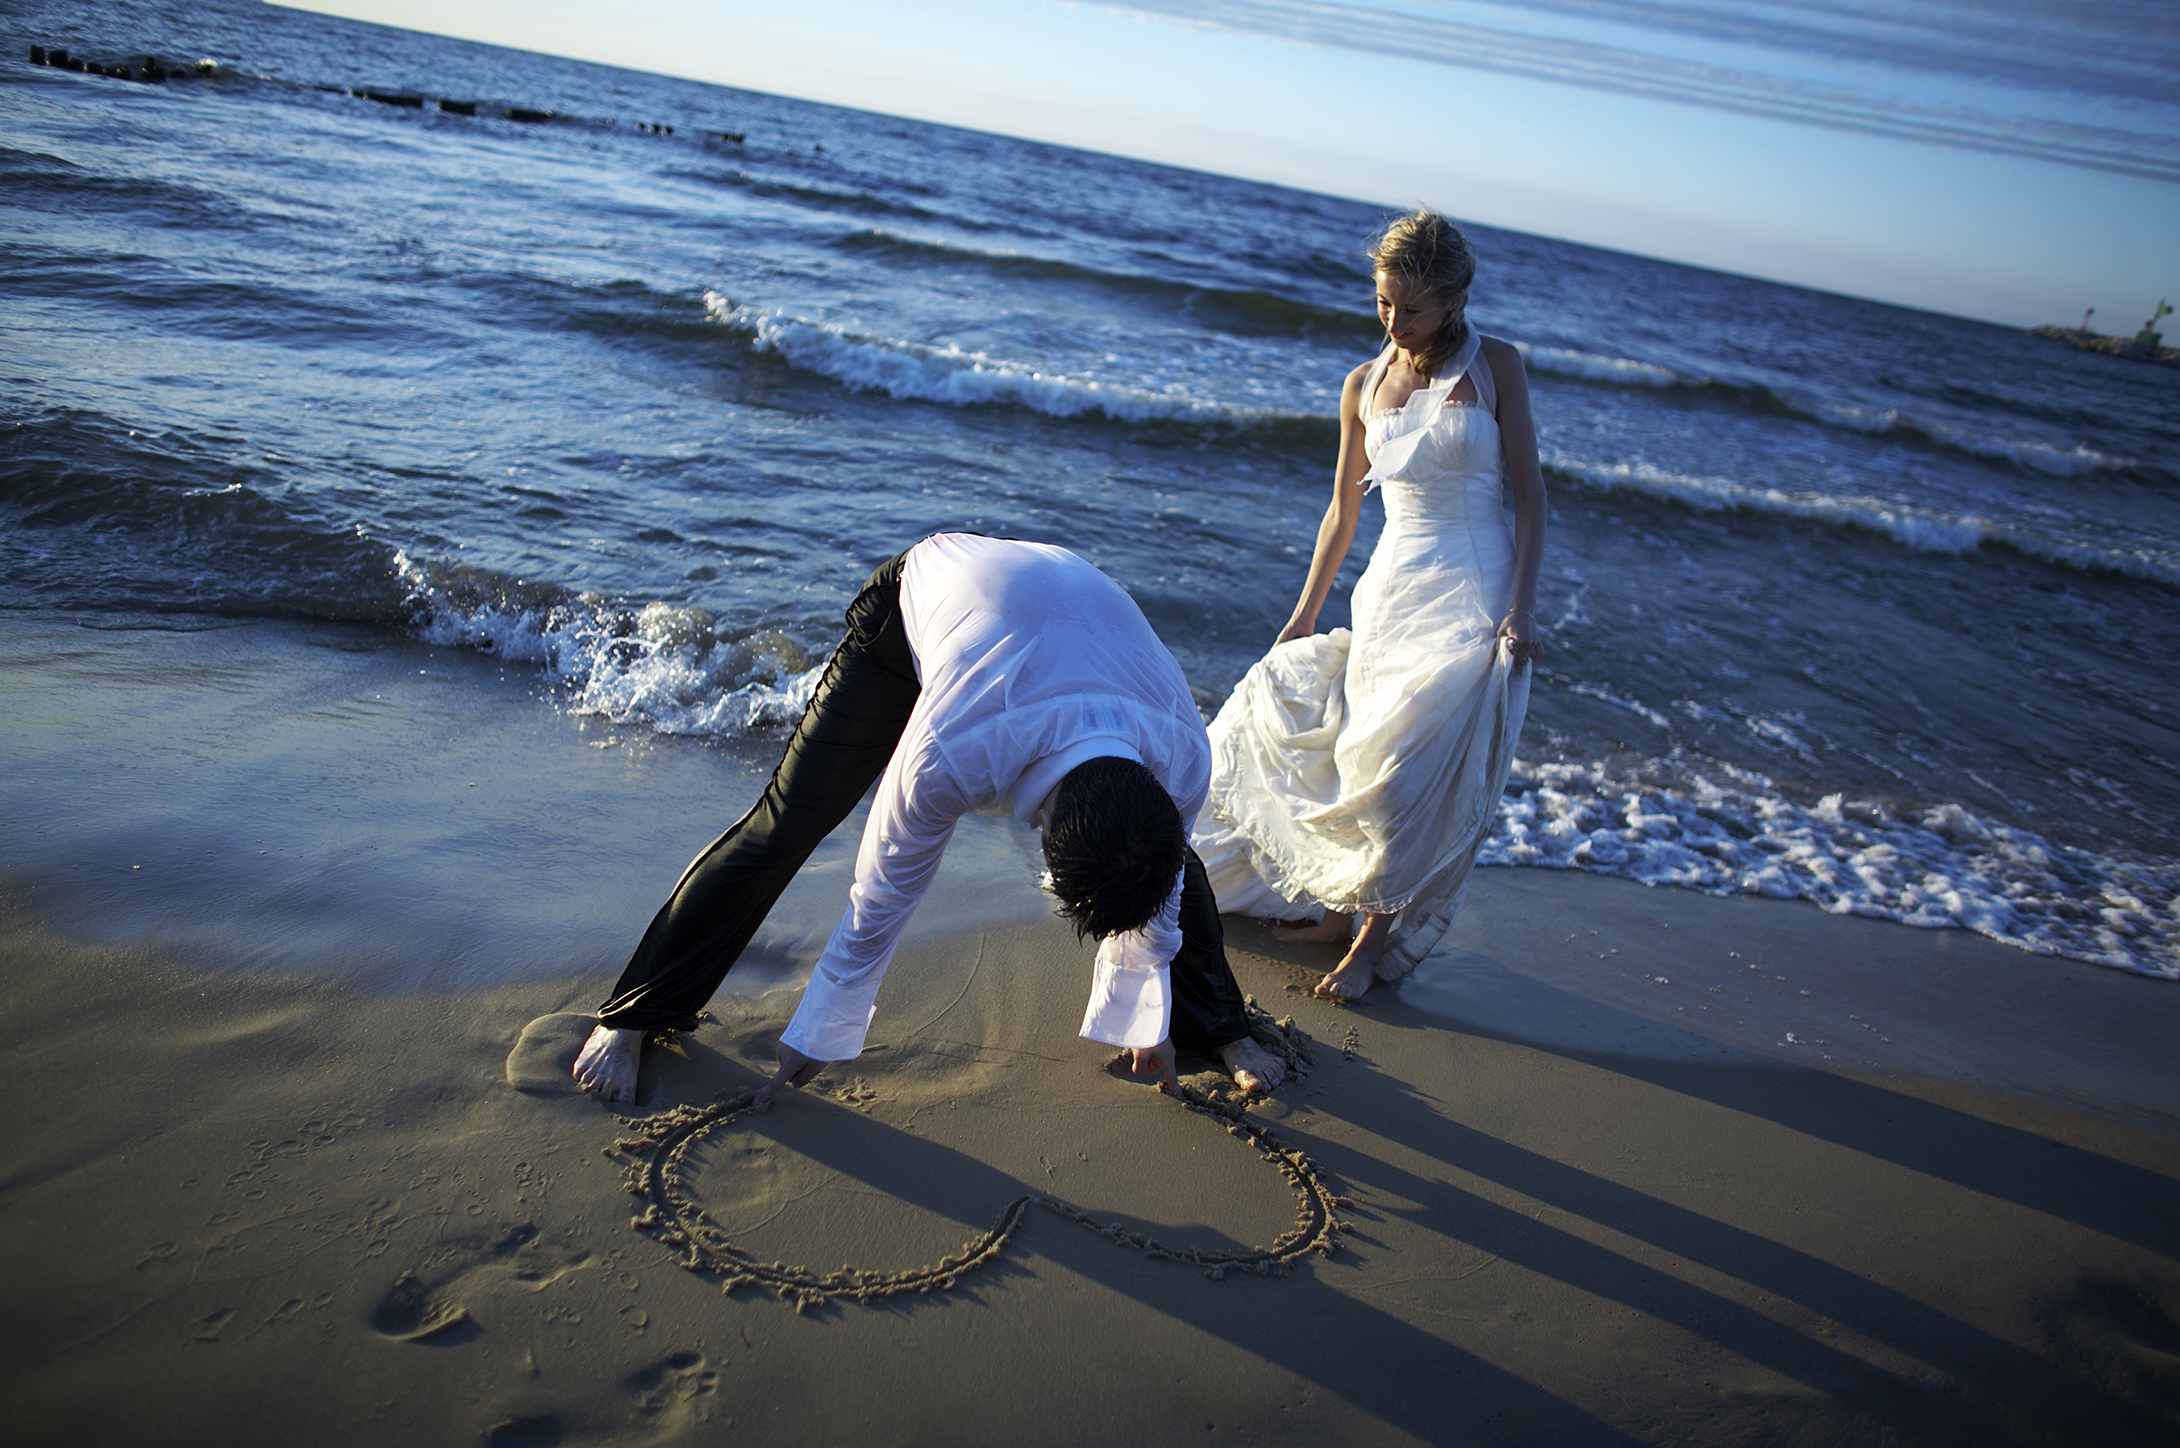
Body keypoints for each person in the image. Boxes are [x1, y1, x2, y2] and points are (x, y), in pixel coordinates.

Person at [572, 532, 1288, 1104]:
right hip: (922, 604)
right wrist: (822, 1029)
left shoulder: (1183, 753)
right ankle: (633, 1016)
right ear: (1044, 835)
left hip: (1059, 610)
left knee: (1155, 858)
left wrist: (1145, 1016)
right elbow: (881, 892)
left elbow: (1162, 886)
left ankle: (1216, 1026)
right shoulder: (956, 749)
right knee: (789, 821)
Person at [1191, 209, 1546, 999]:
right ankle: (1336, 912)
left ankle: (1369, 944)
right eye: (1383, 301)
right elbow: (1343, 513)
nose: (1393, 319)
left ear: (1454, 300)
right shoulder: (1362, 382)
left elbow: (1531, 497)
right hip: (1390, 585)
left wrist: (1523, 608)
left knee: (1403, 769)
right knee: (1356, 749)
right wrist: (1304, 611)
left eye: (1411, 307)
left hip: (1473, 588)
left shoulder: (1499, 368)